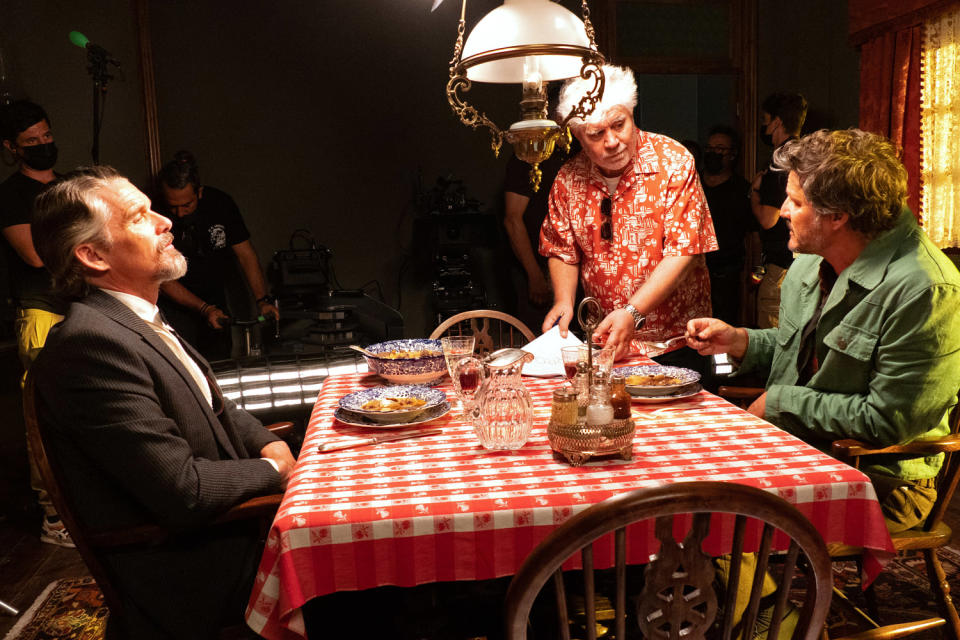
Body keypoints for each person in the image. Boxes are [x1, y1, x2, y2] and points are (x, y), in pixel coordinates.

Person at [29, 165, 296, 638]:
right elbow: (184, 491)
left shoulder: (139, 319)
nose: (164, 222)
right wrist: (277, 472)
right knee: (374, 582)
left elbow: (218, 410)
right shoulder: (89, 345)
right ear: (91, 255)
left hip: (234, 535)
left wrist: (269, 445)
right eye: (138, 216)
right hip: (197, 575)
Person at [687, 129, 960, 533]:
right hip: (797, 447)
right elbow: (804, 350)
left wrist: (781, 404)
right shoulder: (813, 258)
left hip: (879, 479)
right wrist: (742, 341)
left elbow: (891, 420)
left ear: (837, 217)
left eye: (795, 202)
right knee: (675, 477)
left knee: (720, 508)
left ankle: (750, 594)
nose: (781, 210)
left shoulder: (924, 288)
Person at [540, 64, 718, 376]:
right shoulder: (568, 178)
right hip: (605, 346)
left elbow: (684, 251)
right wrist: (564, 301)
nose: (611, 141)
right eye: (596, 134)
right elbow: (561, 250)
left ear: (632, 113)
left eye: (619, 125)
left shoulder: (674, 162)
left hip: (675, 345)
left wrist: (632, 312)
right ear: (577, 136)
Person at [0, 100, 70, 547]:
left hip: (82, 306)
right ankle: (54, 518)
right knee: (43, 417)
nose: (43, 144)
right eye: (32, 141)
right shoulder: (10, 196)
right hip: (41, 311)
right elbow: (34, 254)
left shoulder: (69, 186)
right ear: (11, 147)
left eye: (46, 136)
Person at [157, 151, 278, 361]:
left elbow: (246, 255)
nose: (180, 213)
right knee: (185, 363)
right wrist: (204, 309)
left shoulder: (220, 204)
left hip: (215, 299)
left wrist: (262, 300)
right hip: (175, 306)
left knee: (220, 362)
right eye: (173, 207)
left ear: (199, 192)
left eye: (186, 205)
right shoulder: (155, 214)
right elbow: (162, 277)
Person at [751, 92, 807, 328]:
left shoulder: (780, 159)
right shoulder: (807, 153)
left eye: (765, 120)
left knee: (773, 341)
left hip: (780, 266)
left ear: (777, 122)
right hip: (805, 264)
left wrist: (754, 193)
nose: (763, 126)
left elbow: (768, 219)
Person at [701, 125, 752, 325]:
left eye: (720, 149)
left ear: (732, 154)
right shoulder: (692, 184)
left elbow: (752, 235)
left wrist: (753, 274)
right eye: (710, 148)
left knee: (722, 327)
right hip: (693, 274)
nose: (713, 153)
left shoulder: (741, 190)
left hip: (726, 275)